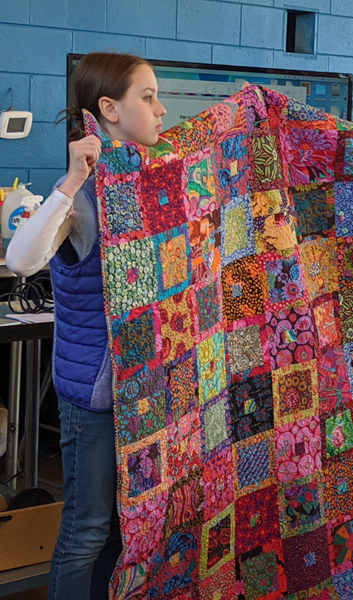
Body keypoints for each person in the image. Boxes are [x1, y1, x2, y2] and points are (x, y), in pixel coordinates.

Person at [5, 52, 167, 600]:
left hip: (143, 396)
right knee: (88, 530)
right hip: (96, 399)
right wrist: (74, 178)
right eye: (147, 97)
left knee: (130, 529)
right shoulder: (84, 195)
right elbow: (24, 259)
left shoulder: (155, 187)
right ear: (109, 109)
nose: (160, 109)